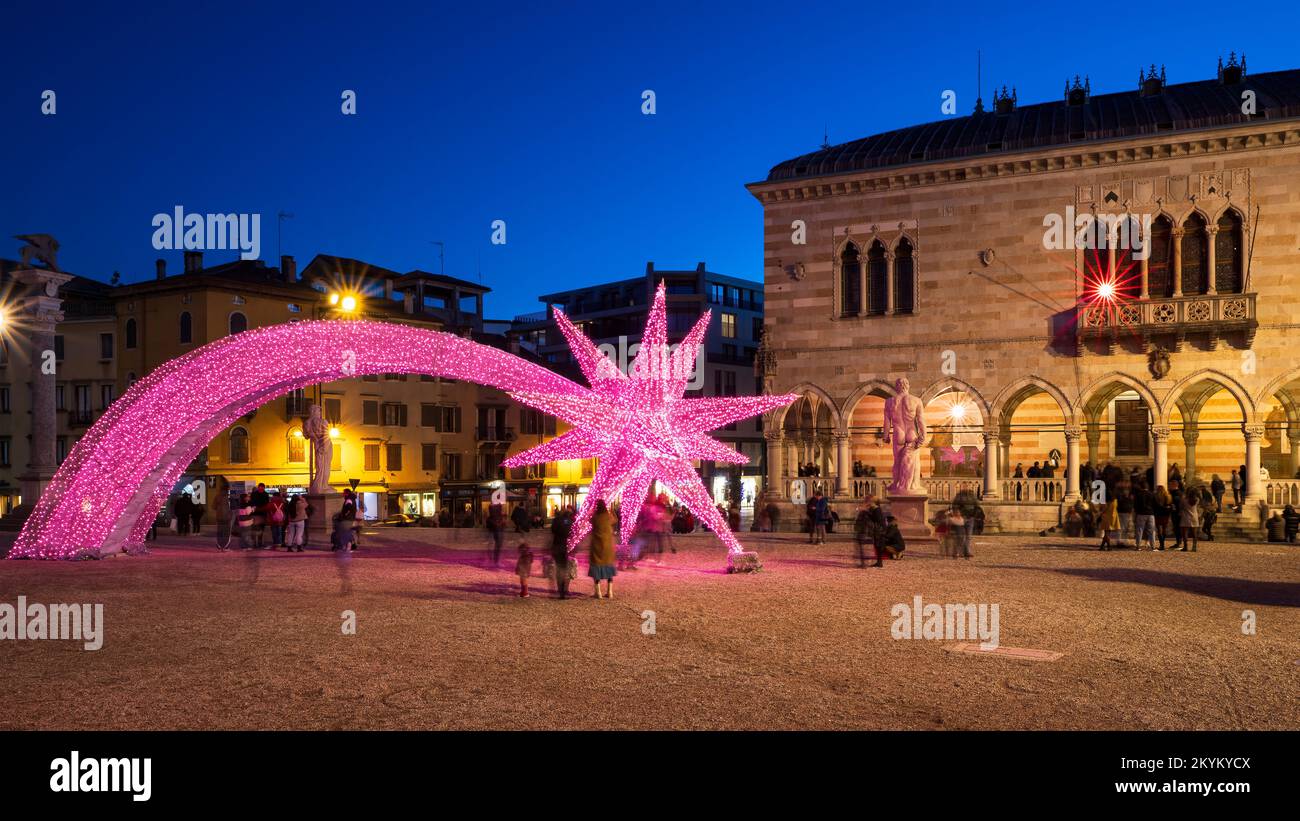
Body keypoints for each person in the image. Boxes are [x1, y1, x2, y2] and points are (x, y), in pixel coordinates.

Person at [588, 500, 617, 599]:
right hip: (607, 547)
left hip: (597, 546)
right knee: (608, 567)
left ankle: (598, 592)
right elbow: (615, 520)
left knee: (596, 568)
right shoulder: (609, 517)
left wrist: (592, 510)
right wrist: (612, 511)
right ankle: (610, 592)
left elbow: (589, 519)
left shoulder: (595, 518)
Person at [551, 508, 575, 598]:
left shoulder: (556, 520)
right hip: (564, 546)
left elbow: (553, 531)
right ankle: (564, 590)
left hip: (556, 545)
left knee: (558, 568)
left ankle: (560, 589)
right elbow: (570, 533)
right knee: (564, 568)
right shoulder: (569, 521)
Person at [1133, 481, 1157, 551]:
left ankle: (1138, 546)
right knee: (1151, 530)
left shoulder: (1138, 494)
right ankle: (1153, 546)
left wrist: (1136, 512)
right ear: (1147, 487)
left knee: (1139, 530)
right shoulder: (1152, 494)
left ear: (1141, 487)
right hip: (1150, 514)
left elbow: (1135, 505)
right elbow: (1155, 504)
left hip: (1141, 514)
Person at [486, 502, 506, 566]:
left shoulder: (495, 517)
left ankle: (494, 560)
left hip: (496, 528)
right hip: (496, 528)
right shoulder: (495, 516)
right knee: (497, 545)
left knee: (497, 545)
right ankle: (495, 561)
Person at [1153, 485, 1172, 550]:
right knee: (1164, 529)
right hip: (1165, 514)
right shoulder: (1168, 496)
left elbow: (1154, 506)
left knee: (1159, 530)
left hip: (1158, 514)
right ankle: (1163, 544)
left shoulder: (1155, 496)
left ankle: (1161, 545)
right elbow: (1169, 505)